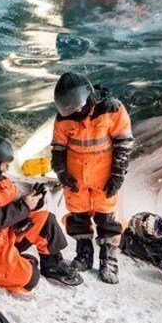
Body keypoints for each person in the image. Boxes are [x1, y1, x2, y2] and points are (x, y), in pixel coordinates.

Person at [0, 134, 82, 293]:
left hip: (5, 236)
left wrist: (35, 200)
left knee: (46, 220)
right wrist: (24, 206)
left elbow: (17, 201)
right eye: (4, 165)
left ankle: (52, 265)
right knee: (30, 278)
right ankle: (18, 263)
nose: (6, 169)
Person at [51, 72, 134, 284]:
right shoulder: (63, 118)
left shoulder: (112, 109)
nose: (75, 111)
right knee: (77, 214)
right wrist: (61, 172)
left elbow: (124, 143)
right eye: (68, 107)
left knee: (107, 216)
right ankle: (84, 253)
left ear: (88, 95)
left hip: (103, 174)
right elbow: (58, 148)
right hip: (75, 176)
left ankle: (109, 258)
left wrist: (118, 175)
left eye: (77, 106)